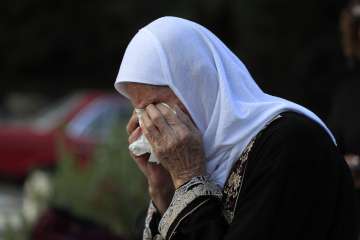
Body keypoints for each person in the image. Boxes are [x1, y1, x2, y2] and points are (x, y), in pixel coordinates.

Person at [114, 17, 357, 240]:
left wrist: (188, 176)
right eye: (140, 112)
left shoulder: (290, 143)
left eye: (156, 106)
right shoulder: (208, 159)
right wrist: (164, 191)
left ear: (198, 85)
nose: (149, 124)